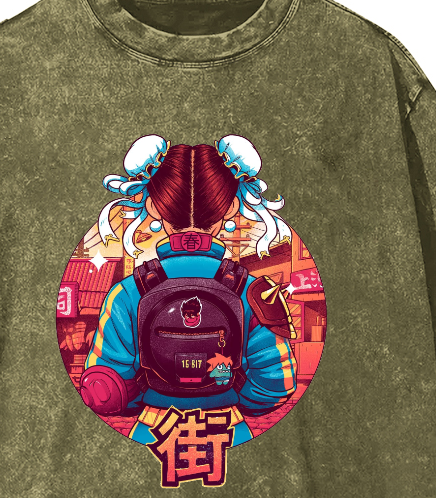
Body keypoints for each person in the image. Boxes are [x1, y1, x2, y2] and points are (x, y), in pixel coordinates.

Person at [78, 134, 298, 462]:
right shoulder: (254, 292)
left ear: (152, 206)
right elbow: (276, 385)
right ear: (232, 206)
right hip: (229, 432)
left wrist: (140, 396)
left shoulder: (126, 294)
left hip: (151, 433)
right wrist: (234, 393)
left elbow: (106, 385)